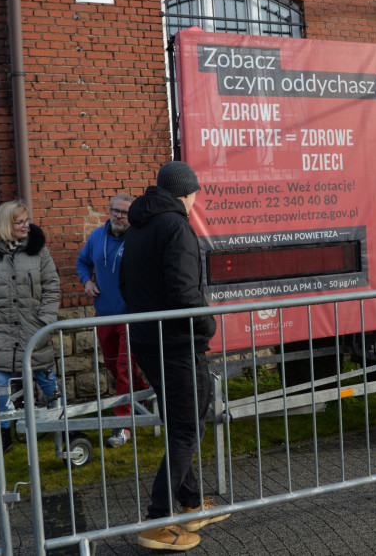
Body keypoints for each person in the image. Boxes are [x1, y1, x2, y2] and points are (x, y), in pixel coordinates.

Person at [120, 161, 229, 552]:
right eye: (196, 191)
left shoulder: (138, 227)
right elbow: (185, 291)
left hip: (148, 341)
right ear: (188, 192)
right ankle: (157, 520)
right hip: (179, 345)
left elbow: (124, 283)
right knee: (187, 427)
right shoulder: (176, 225)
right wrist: (206, 328)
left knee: (180, 424)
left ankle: (191, 503)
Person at [0, 200, 61, 461]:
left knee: (48, 382)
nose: (26, 225)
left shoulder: (38, 252)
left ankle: (61, 430)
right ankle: (3, 437)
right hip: (0, 335)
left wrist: (45, 320)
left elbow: (52, 286)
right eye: (20, 222)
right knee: (0, 389)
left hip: (35, 331)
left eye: (27, 220)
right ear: (6, 225)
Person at [77, 192, 149, 448]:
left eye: (124, 212)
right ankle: (145, 398)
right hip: (103, 315)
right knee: (112, 366)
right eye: (114, 211)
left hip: (129, 316)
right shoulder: (96, 236)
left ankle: (123, 424)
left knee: (123, 369)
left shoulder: (139, 238)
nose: (118, 216)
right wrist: (86, 281)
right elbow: (83, 262)